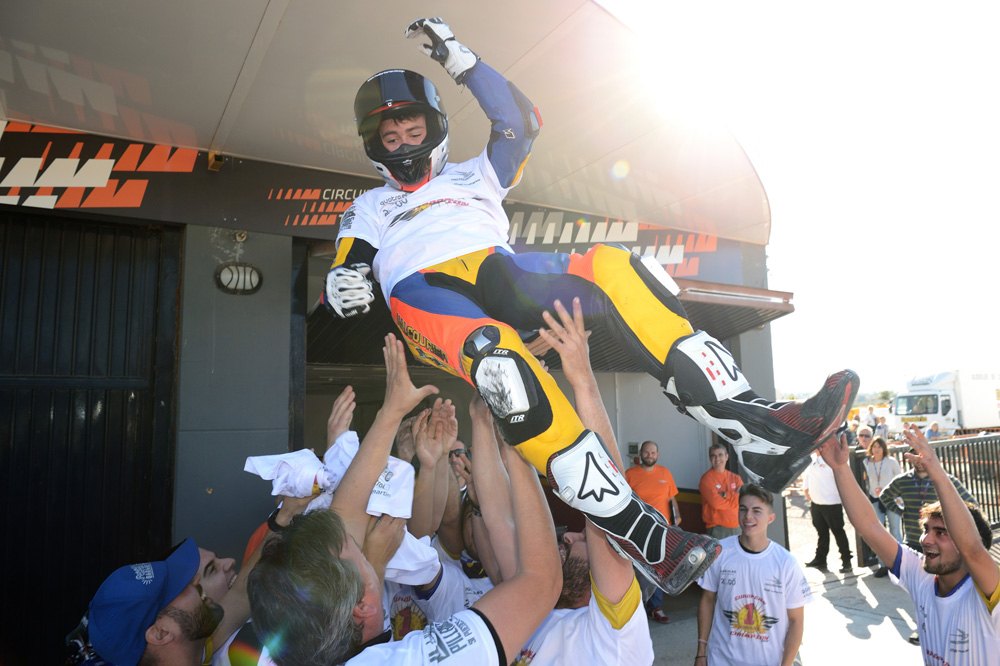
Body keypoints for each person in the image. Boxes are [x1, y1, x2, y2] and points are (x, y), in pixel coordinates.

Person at [322, 14, 858, 595]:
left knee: (619, 264)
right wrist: (342, 284)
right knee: (499, 361)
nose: (405, 145)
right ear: (375, 148)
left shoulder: (475, 175)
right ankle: (633, 527)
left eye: (413, 130)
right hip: (424, 295)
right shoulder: (369, 206)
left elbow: (520, 122)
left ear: (435, 128)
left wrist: (462, 60)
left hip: (498, 271)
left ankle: (755, 429)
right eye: (391, 139)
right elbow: (348, 265)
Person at [510, 296, 654, 664]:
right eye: (580, 536)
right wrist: (580, 379)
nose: (569, 535)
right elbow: (499, 517)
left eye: (583, 537)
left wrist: (582, 379)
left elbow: (609, 503)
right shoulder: (539, 614)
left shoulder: (615, 639)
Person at [820, 426, 1000, 663]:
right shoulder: (921, 577)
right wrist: (839, 467)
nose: (926, 539)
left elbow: (972, 550)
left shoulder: (987, 591)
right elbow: (870, 527)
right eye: (926, 530)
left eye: (941, 533)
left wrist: (938, 475)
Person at [695, 484, 811, 666]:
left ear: (770, 518)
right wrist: (701, 652)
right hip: (721, 660)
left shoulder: (786, 563)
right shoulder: (719, 552)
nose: (748, 516)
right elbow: (707, 600)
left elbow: (797, 621)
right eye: (743, 509)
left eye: (756, 511)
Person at [878, 446, 977, 552]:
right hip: (913, 541)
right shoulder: (902, 480)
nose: (918, 460)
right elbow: (885, 496)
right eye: (915, 456)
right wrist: (900, 512)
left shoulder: (946, 480)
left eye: (922, 455)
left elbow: (972, 504)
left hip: (941, 542)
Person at [624, 439, 680, 622]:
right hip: (637, 531)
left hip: (662, 531)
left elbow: (672, 499)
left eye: (653, 452)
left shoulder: (665, 473)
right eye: (646, 452)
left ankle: (655, 607)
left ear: (658, 454)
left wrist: (677, 517)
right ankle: (636, 607)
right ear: (641, 453)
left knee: (658, 569)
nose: (649, 455)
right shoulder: (630, 474)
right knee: (637, 569)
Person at [802, 451, 853, 573]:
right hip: (816, 502)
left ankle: (846, 561)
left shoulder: (834, 459)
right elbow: (807, 475)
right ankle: (820, 559)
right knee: (821, 532)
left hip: (832, 503)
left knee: (838, 532)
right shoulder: (812, 459)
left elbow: (843, 479)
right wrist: (806, 489)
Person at [862, 435, 902, 577]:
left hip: (891, 499)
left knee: (895, 531)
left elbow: (900, 478)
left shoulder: (891, 461)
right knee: (878, 533)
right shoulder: (867, 462)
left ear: (884, 448)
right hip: (875, 499)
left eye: (879, 447)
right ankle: (883, 564)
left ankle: (900, 564)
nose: (877, 449)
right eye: (874, 447)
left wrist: (899, 497)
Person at [699, 442, 743, 540]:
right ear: (710, 458)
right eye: (713, 456)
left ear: (727, 457)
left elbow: (743, 499)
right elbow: (716, 503)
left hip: (737, 527)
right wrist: (735, 502)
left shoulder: (736, 478)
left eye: (720, 455)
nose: (717, 459)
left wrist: (725, 495)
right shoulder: (706, 479)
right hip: (717, 529)